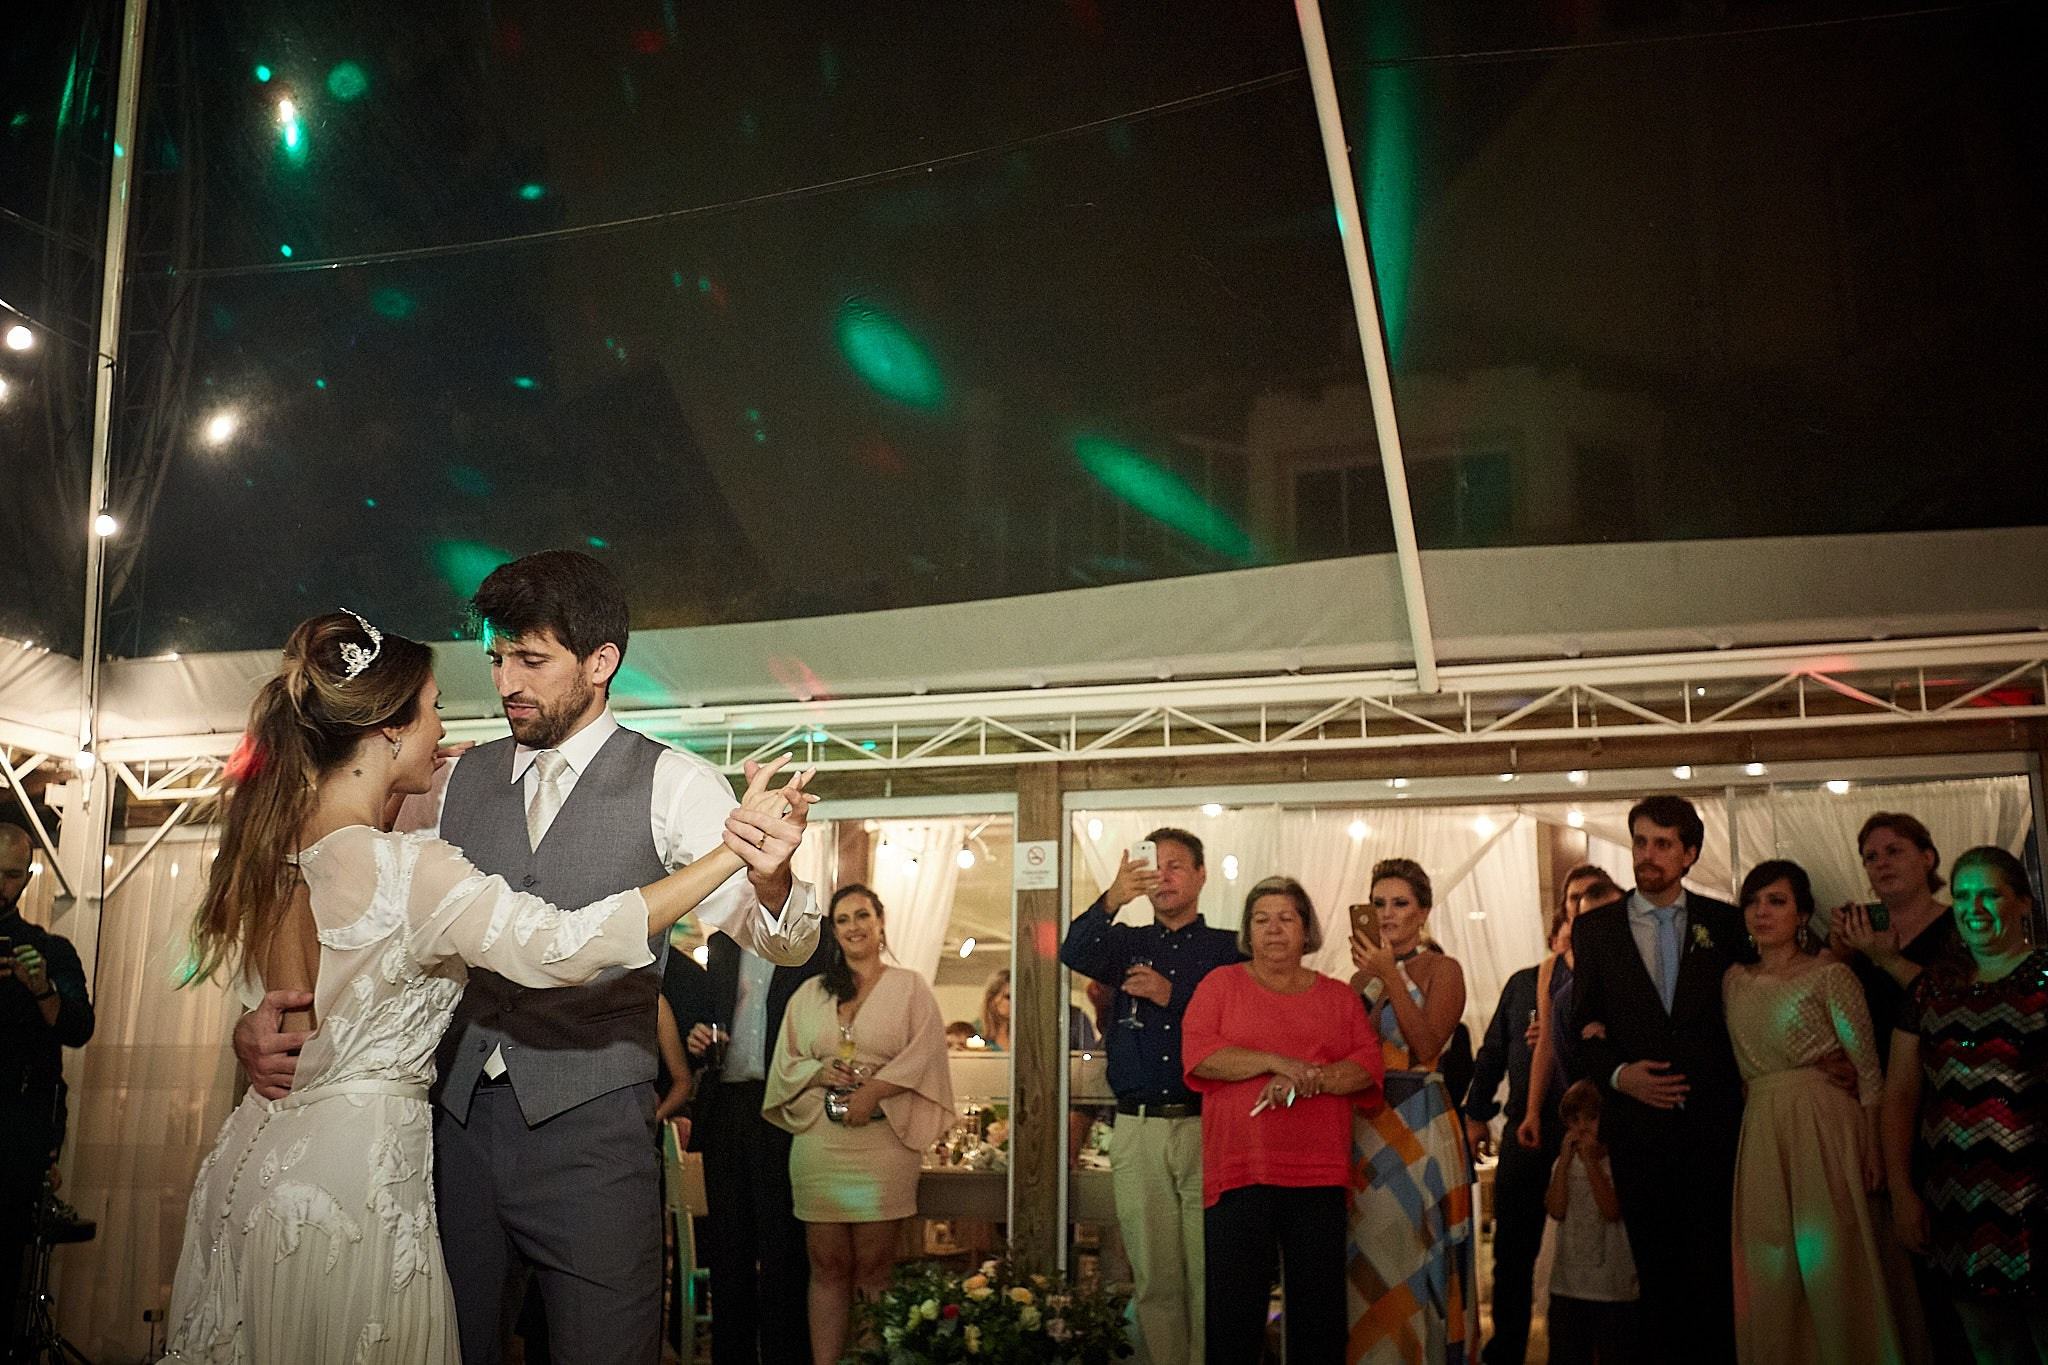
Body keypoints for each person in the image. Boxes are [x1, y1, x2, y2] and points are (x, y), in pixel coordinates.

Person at [162, 611, 815, 1363]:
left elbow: (779, 935)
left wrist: (765, 874)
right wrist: (256, 1025)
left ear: (599, 661)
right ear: (387, 730)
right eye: (495, 659)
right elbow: (546, 944)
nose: (501, 684)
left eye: (529, 659)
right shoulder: (442, 790)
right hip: (435, 1142)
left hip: (566, 1136)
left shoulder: (672, 778)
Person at [1568, 794, 1750, 1365]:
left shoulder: (1725, 923)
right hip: (1638, 1130)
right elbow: (1580, 1026)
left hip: (1713, 1125)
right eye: (1640, 842)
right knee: (1656, 1277)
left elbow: (1749, 1010)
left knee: (1716, 1274)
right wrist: (1619, 1075)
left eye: (1663, 844)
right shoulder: (1595, 929)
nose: (1647, 855)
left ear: (1689, 854)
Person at [1058, 828, 1243, 1365]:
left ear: (1201, 875)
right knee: (1154, 1277)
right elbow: (1073, 949)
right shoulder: (1126, 943)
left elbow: (1242, 1027)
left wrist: (1174, 995)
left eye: (1176, 865)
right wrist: (1113, 897)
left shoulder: (1230, 949)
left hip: (1207, 1124)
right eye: (1153, 866)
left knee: (1211, 1274)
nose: (1163, 876)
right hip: (1136, 1126)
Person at [1182, 877, 1383, 1362]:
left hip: (1318, 1174)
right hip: (1239, 1171)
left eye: (1286, 918)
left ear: (1306, 930)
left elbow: (1366, 1067)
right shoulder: (1220, 985)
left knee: (1319, 1317)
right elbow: (1201, 1057)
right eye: (1261, 919)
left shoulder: (1338, 997)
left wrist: (1308, 1078)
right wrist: (1276, 1062)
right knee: (1234, 1316)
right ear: (1248, 931)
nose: (1273, 929)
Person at [1723, 859, 1904, 1365]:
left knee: (1833, 1256)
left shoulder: (1830, 975)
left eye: (1776, 901)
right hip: (1762, 1123)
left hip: (1823, 1122)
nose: (1762, 912)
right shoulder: (1733, 979)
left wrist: (1874, 1149)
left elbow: (1869, 1070)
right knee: (1770, 1263)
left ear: (1803, 915)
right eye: (1753, 902)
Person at [764, 884, 953, 1365]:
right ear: (833, 930)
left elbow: (927, 1054)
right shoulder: (810, 993)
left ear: (881, 921)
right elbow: (785, 1063)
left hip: (884, 1142)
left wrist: (874, 1091)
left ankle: (873, 1360)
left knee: (874, 1268)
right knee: (826, 1265)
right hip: (820, 1143)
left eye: (863, 915)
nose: (854, 927)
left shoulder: (910, 987)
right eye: (843, 919)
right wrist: (818, 1071)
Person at [1884, 846, 2047, 1364]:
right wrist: (1902, 1191)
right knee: (1989, 1345)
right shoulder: (1930, 990)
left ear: (2023, 902)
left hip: (2041, 1198)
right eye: (1962, 896)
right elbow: (1900, 1095)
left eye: (1989, 894)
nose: (1973, 907)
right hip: (1958, 1201)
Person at [1466, 870, 1616, 1365]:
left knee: (1593, 1241)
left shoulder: (1615, 971)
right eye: (1571, 900)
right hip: (1532, 1125)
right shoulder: (1528, 982)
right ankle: (1505, 1351)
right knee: (1513, 1248)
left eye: (1588, 900)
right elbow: (1492, 1052)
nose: (1577, 911)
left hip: (1594, 1124)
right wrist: (1478, 1112)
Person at [1347, 856, 1480, 1364]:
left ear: (1422, 911)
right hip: (1366, 1124)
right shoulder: (1358, 982)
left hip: (1422, 1116)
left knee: (1421, 1248)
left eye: (1399, 903)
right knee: (1370, 1250)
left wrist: (1391, 975)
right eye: (1377, 903)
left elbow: (1426, 1046)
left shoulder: (1445, 970)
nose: (1386, 913)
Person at [687, 926, 826, 1365]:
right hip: (726, 1106)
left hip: (783, 1103)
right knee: (728, 1250)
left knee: (784, 1247)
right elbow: (712, 1016)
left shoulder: (812, 939)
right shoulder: (722, 945)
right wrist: (698, 1039)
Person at [0, 824, 94, 1353]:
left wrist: (42, 990)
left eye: (11, 875)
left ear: (28, 877)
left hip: (15, 1136)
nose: (0, 885)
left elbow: (79, 1028)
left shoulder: (49, 950)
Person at [1825, 813, 1956, 1071]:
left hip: (1943, 1071)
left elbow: (1957, 1006)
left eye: (1894, 851)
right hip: (1874, 1078)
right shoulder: (1858, 930)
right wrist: (1841, 958)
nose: (1882, 863)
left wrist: (1889, 960)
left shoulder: (1958, 927)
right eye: (1871, 857)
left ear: (1927, 858)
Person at [1516, 865, 1624, 1153]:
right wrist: (1532, 1111)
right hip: (1569, 1084)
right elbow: (1546, 1043)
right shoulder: (1553, 968)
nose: (1580, 903)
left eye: (1590, 893)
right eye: (1574, 897)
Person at [1543, 1081, 1640, 1364]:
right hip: (1567, 1287)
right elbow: (1556, 1209)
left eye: (1592, 1118)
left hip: (1612, 1290)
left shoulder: (1617, 1163)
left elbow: (1611, 1210)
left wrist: (1591, 1162)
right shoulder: (1561, 1165)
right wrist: (1564, 1161)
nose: (1583, 1127)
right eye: (1575, 1120)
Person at [979, 970, 1011, 1051]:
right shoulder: (975, 1032)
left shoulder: (1028, 1035)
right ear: (992, 999)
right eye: (1008, 997)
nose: (1015, 1002)